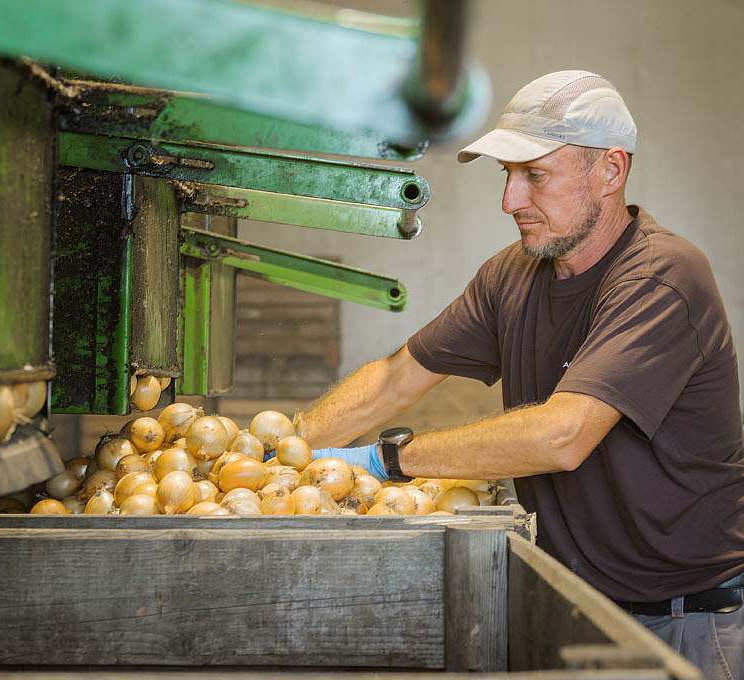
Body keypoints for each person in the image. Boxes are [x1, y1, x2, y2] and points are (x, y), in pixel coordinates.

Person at [300, 70, 744, 680]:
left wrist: (387, 460)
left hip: (688, 624)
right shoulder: (511, 276)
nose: (510, 200)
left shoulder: (663, 277)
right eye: (507, 175)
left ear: (610, 172)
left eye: (535, 175)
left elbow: (562, 436)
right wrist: (287, 450)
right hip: (579, 606)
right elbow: (397, 378)